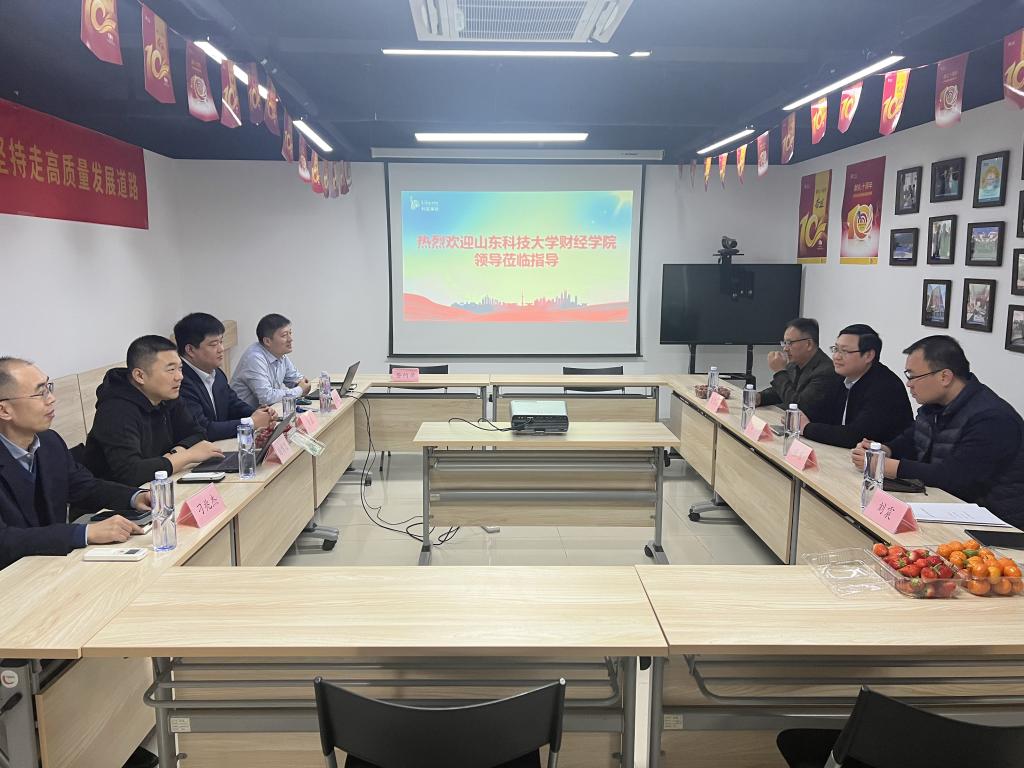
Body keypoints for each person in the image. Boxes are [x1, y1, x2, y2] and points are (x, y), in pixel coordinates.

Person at [852, 335, 1024, 527]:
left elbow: (952, 477)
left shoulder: (992, 419)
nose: (909, 384)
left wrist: (885, 465)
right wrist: (886, 450)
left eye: (913, 376)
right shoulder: (934, 406)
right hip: (948, 507)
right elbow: (913, 439)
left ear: (945, 377)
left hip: (998, 524)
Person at [0, 358, 152, 570]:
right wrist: (84, 533)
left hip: (51, 566)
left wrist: (136, 497)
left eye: (48, 388)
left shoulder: (49, 442)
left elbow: (85, 487)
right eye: (40, 392)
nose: (51, 399)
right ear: (4, 410)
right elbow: (5, 540)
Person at [83, 336, 223, 487]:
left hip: (159, 484)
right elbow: (130, 473)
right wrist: (187, 456)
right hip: (120, 496)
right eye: (171, 370)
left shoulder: (167, 395)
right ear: (140, 376)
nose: (180, 377)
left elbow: (197, 433)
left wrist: (176, 453)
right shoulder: (116, 411)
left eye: (180, 368)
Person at [801, 324, 913, 449]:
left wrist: (807, 428)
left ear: (868, 355)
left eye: (844, 351)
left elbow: (855, 437)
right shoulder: (841, 376)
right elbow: (819, 413)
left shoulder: (886, 387)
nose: (836, 356)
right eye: (836, 349)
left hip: (878, 458)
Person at [174, 313, 275, 441]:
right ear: (190, 350)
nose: (221, 349)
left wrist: (259, 414)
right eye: (213, 344)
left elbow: (233, 404)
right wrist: (251, 422)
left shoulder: (216, 373)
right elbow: (203, 429)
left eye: (221, 342)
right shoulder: (179, 381)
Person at [758, 317, 841, 423]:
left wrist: (779, 372)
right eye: (784, 343)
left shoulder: (826, 371)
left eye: (790, 343)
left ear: (809, 344)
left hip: (812, 430)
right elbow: (784, 391)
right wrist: (760, 397)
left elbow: (799, 407)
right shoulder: (794, 364)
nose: (785, 348)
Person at [230, 313, 311, 409]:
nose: (290, 339)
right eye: (284, 335)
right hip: (245, 416)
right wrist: (299, 390)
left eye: (290, 333)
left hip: (267, 412)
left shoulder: (280, 354)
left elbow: (298, 380)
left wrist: (301, 385)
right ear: (267, 341)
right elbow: (266, 397)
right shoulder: (254, 358)